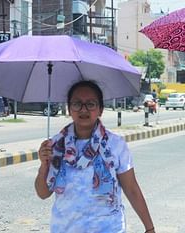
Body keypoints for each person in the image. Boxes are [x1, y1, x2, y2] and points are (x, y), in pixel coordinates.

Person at [35, 80, 155, 233]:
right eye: (77, 104)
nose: (83, 109)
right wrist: (43, 166)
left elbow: (131, 189)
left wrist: (149, 228)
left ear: (100, 110)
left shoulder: (115, 145)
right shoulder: (56, 146)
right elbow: (43, 193)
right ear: (69, 108)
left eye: (90, 104)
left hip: (108, 228)